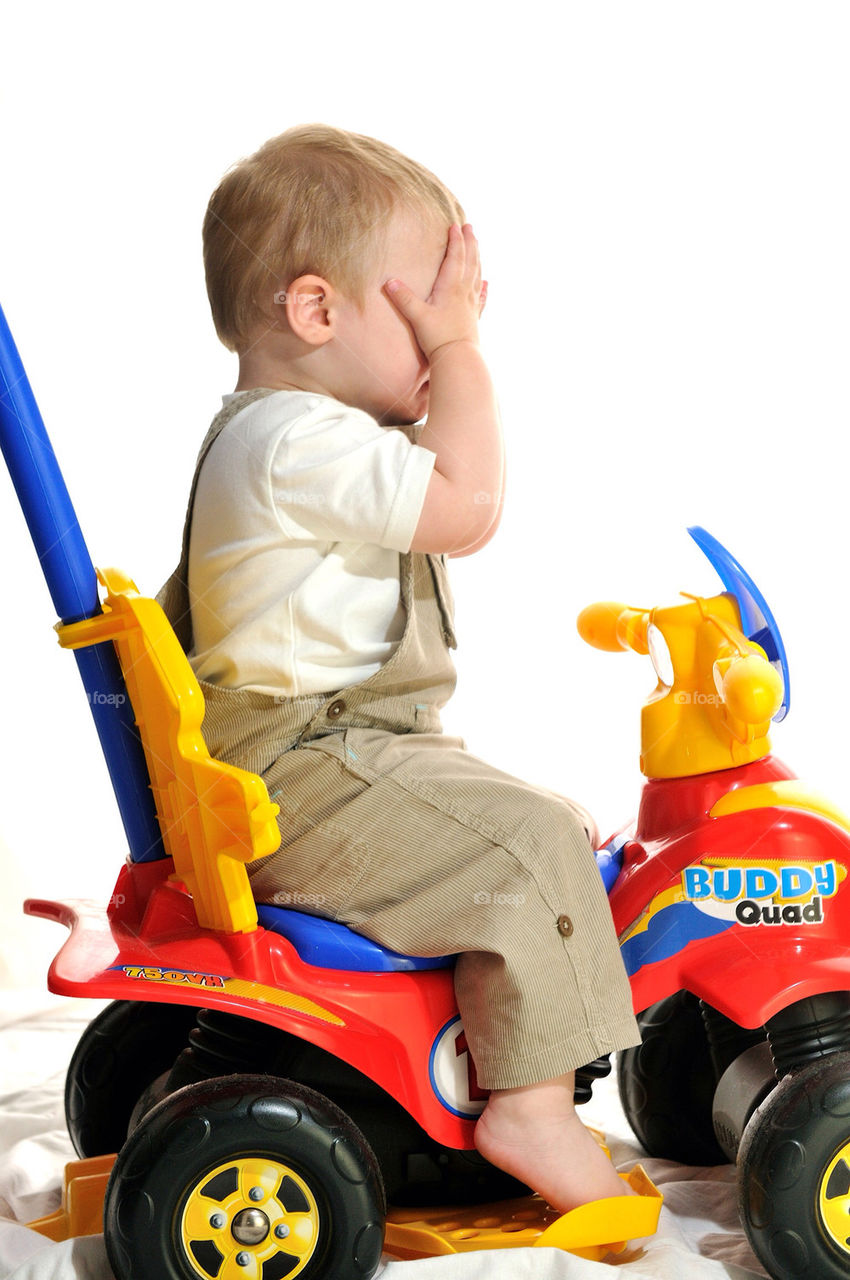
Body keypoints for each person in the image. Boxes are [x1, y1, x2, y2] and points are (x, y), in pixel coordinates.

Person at [158, 123, 640, 1212]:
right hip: (298, 771)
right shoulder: (295, 439)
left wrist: (447, 334)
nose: (453, 330)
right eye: (428, 304)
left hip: (329, 750)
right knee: (534, 842)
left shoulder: (295, 435)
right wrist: (464, 352)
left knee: (534, 812)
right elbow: (466, 509)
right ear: (316, 311)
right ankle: (528, 1102)